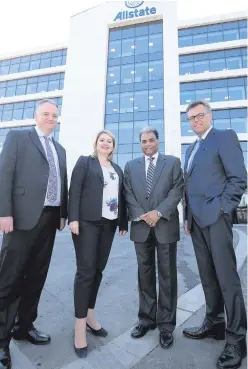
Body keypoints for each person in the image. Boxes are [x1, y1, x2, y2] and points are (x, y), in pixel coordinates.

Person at [0, 99, 68, 369]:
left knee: (36, 276)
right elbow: (4, 174)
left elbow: (62, 182)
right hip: (20, 218)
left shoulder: (59, 149)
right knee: (9, 279)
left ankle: (24, 326)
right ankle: (1, 340)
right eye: (46, 114)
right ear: (35, 116)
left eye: (55, 115)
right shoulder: (19, 137)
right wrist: (4, 212)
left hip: (50, 219)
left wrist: (62, 213)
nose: (51, 118)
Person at [183, 100, 247, 369]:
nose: (195, 121)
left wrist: (223, 208)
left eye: (199, 116)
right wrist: (187, 218)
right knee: (208, 277)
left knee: (226, 279)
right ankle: (215, 323)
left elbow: (239, 178)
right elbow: (189, 187)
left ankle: (237, 340)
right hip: (196, 223)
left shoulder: (224, 137)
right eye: (191, 118)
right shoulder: (191, 149)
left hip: (216, 219)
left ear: (209, 116)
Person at [68, 130, 128, 358]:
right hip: (86, 223)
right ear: (96, 143)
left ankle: (90, 316)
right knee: (85, 272)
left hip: (109, 224)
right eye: (102, 140)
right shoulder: (85, 162)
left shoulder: (117, 169)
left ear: (113, 146)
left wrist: (123, 222)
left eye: (109, 141)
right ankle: (79, 328)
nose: (105, 143)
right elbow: (74, 190)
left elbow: (121, 196)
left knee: (98, 271)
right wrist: (73, 218)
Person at [124, 127, 184, 349]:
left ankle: (166, 325)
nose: (147, 144)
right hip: (141, 227)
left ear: (158, 141)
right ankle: (146, 319)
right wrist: (143, 214)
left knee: (167, 276)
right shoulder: (131, 167)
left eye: (151, 140)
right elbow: (127, 192)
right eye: (143, 141)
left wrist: (157, 213)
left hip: (165, 225)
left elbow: (177, 190)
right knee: (144, 274)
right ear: (139, 143)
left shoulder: (172, 162)